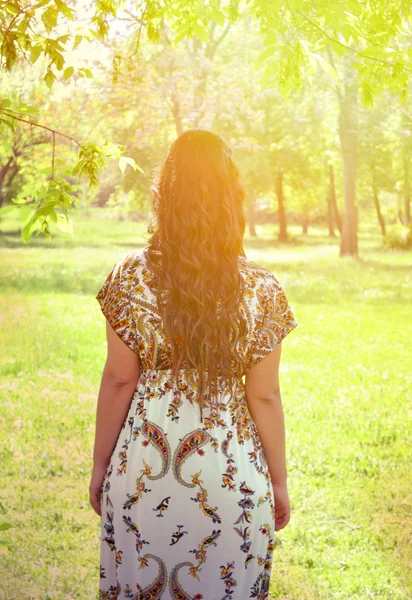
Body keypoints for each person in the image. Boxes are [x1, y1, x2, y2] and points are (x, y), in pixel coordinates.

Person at [90, 129, 298, 600]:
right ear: (232, 196)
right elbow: (264, 394)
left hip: (143, 470)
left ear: (166, 194)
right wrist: (279, 482)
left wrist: (101, 467)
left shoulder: (130, 275)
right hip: (232, 474)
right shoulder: (262, 289)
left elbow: (120, 378)